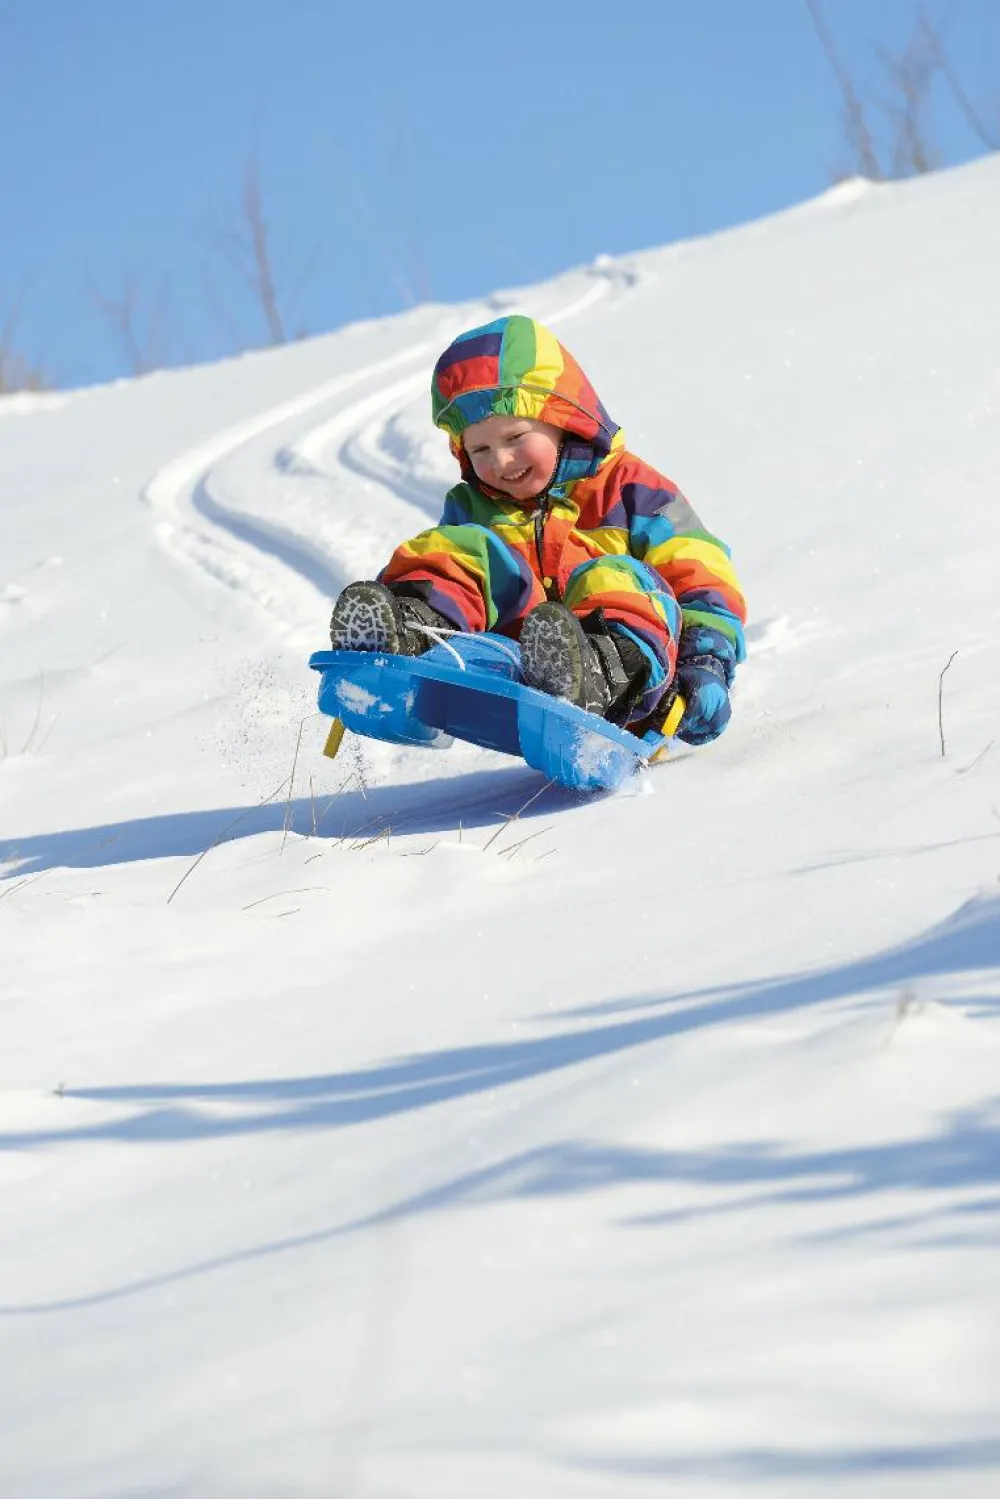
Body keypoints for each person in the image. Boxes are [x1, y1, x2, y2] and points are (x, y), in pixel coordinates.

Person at [329, 314, 746, 745]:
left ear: (564, 419)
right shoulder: (474, 507)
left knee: (614, 575)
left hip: (640, 693)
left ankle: (598, 670)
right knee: (459, 549)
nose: (501, 461)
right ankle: (406, 635)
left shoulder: (632, 489)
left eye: (515, 437)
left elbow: (701, 576)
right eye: (480, 448)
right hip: (518, 666)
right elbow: (446, 574)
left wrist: (707, 664)